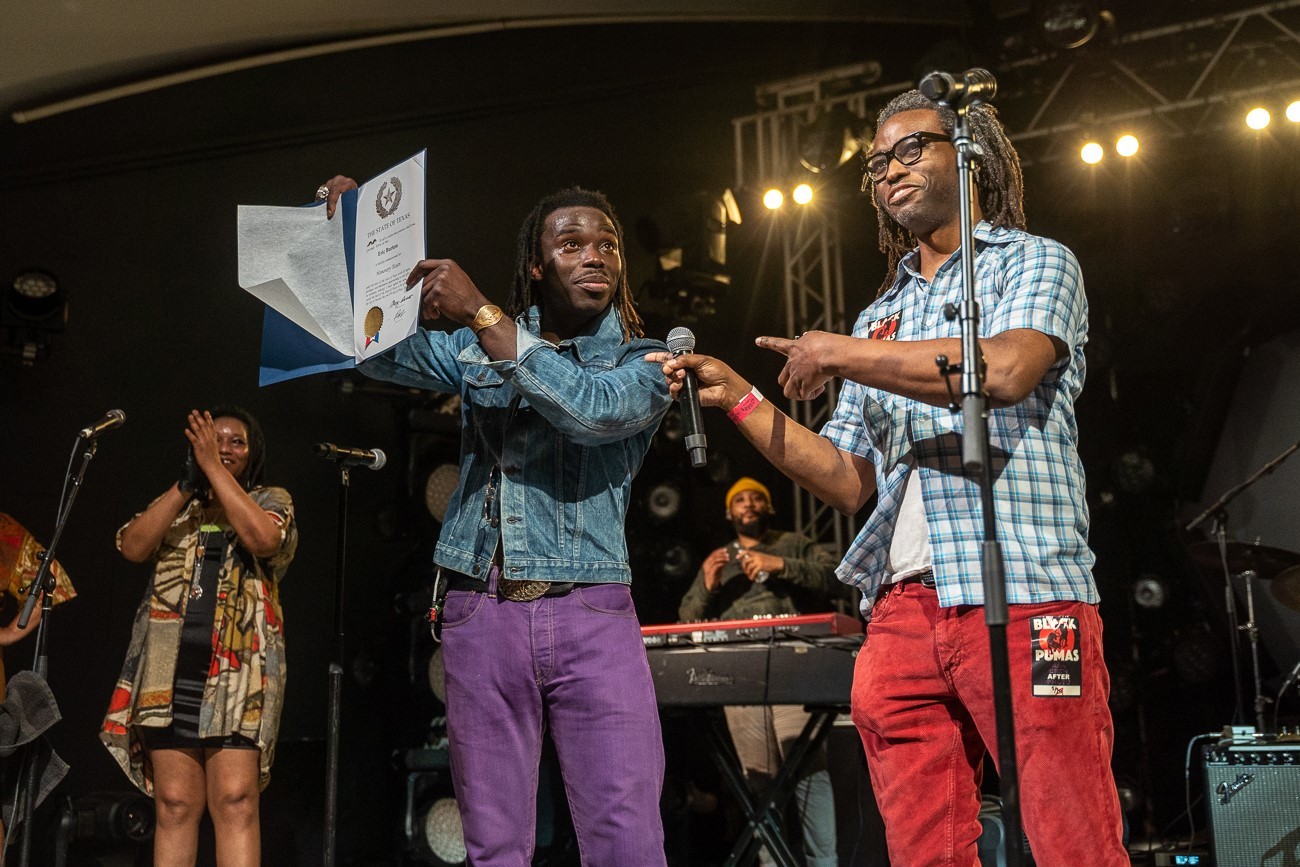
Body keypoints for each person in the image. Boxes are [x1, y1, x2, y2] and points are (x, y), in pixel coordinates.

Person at [653, 89, 1128, 866]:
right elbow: (845, 478)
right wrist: (739, 395)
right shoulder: (882, 317)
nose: (889, 171)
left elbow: (1003, 369)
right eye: (878, 163)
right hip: (904, 604)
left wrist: (838, 352)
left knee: (1071, 832)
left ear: (968, 157)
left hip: (1024, 580)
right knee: (922, 846)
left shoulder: (1036, 261)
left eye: (911, 149)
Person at [316, 177, 672, 865]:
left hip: (590, 612)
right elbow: (369, 345)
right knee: (494, 846)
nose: (594, 255)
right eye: (571, 244)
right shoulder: (473, 352)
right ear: (537, 265)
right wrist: (351, 239)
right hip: (482, 608)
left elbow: (589, 408)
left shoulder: (643, 360)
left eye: (607, 245)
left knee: (626, 841)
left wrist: (480, 310)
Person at [101, 407, 297, 866]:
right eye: (214, 440)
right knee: (174, 804)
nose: (224, 449)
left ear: (254, 454)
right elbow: (132, 545)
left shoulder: (270, 500)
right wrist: (188, 483)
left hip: (237, 673)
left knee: (234, 800)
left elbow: (265, 540)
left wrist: (212, 467)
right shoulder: (180, 507)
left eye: (236, 442)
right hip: (168, 673)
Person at [678, 476, 839, 867]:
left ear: (768, 508)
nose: (748, 505)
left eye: (756, 498)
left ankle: (825, 862)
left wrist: (779, 564)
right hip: (740, 671)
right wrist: (708, 585)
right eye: (740, 501)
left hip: (791, 664)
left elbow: (835, 577)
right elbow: (688, 619)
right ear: (728, 512)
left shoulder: (791, 544)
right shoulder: (719, 557)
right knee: (759, 780)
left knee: (805, 771)